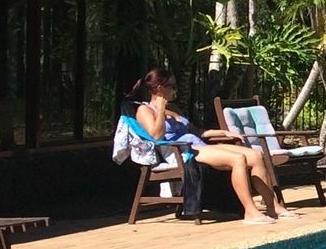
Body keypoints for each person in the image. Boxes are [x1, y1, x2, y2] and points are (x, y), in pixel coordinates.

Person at [122, 68, 297, 224]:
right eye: (172, 86)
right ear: (159, 88)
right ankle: (250, 211)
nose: (175, 90)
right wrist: (160, 110)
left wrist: (222, 133)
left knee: (256, 156)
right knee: (239, 159)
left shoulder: (172, 108)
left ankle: (273, 206)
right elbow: (155, 136)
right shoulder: (144, 110)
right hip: (182, 151)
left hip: (197, 144)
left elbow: (196, 131)